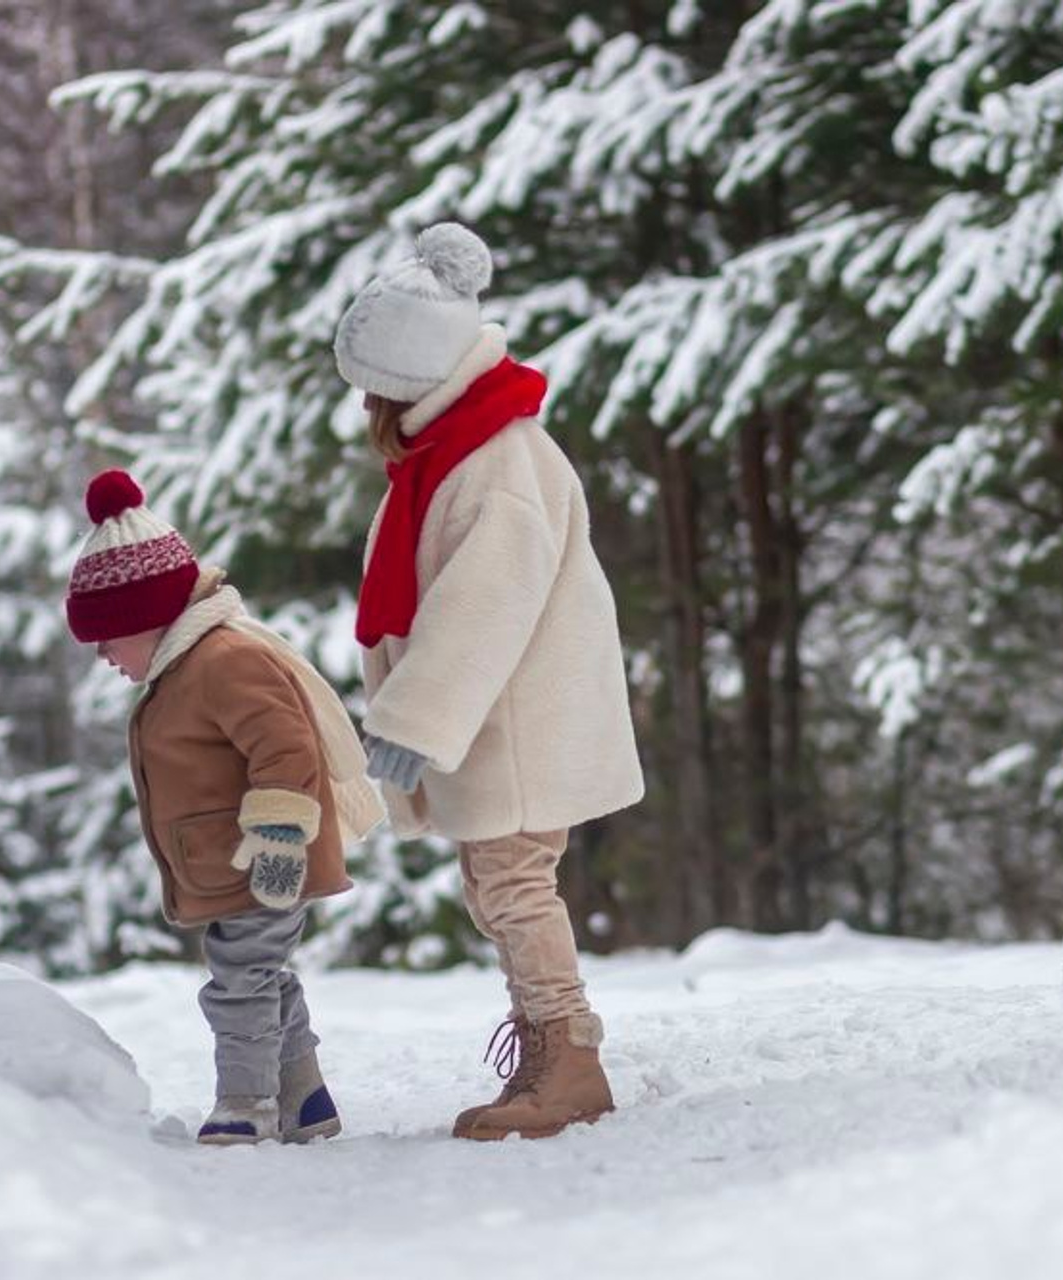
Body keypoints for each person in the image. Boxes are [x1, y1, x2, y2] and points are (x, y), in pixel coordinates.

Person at [334, 222, 645, 1141]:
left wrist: (414, 718)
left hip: (515, 723)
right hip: (497, 725)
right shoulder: (455, 453)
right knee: (496, 884)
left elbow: (483, 607)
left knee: (514, 883)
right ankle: (547, 1045)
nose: (368, 415)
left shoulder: (497, 462)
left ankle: (571, 1057)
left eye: (374, 395)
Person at [64, 468, 383, 1145]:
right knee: (260, 976)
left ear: (145, 620)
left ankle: (247, 1104)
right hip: (230, 866)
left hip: (266, 862)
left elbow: (286, 749)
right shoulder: (187, 665)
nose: (102, 654)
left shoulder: (224, 660)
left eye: (107, 638)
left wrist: (276, 846)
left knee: (239, 985)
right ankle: (306, 1101)